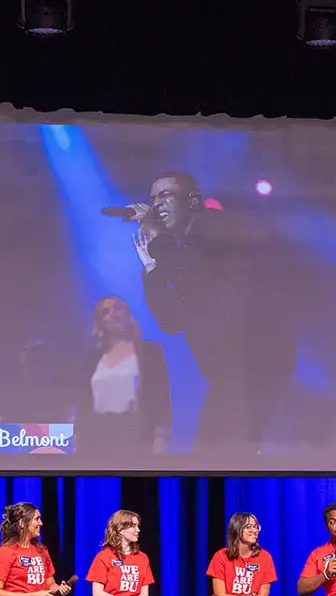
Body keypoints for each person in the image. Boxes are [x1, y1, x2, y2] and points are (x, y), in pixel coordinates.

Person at [127, 172, 296, 453]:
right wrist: (151, 268)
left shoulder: (214, 228)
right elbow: (171, 321)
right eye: (152, 198)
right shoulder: (182, 249)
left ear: (192, 201)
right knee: (210, 454)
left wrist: (158, 238)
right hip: (230, 377)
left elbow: (198, 281)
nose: (156, 205)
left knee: (222, 452)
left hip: (256, 366)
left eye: (165, 195)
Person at [74, 295, 171, 457]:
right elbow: (84, 401)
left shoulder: (150, 352)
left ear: (127, 314)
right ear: (101, 322)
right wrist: (78, 436)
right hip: (97, 436)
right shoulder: (92, 359)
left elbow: (161, 395)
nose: (112, 314)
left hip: (137, 434)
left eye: (117, 308)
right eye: (105, 312)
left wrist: (161, 435)